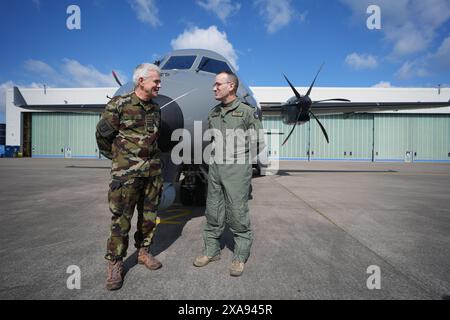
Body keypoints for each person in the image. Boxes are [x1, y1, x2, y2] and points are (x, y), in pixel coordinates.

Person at [96, 63, 163, 290]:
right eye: (156, 80)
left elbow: (154, 139)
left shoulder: (156, 109)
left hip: (152, 172)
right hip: (126, 175)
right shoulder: (119, 104)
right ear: (141, 81)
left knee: (149, 217)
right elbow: (103, 137)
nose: (159, 84)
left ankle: (143, 252)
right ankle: (115, 263)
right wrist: (119, 159)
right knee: (121, 219)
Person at [193, 71, 264, 276]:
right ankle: (211, 251)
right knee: (213, 210)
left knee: (237, 213)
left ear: (231, 86)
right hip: (215, 169)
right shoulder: (213, 113)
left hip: (237, 170)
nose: (214, 88)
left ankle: (240, 256)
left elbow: (258, 142)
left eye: (218, 84)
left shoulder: (246, 112)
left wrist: (238, 157)